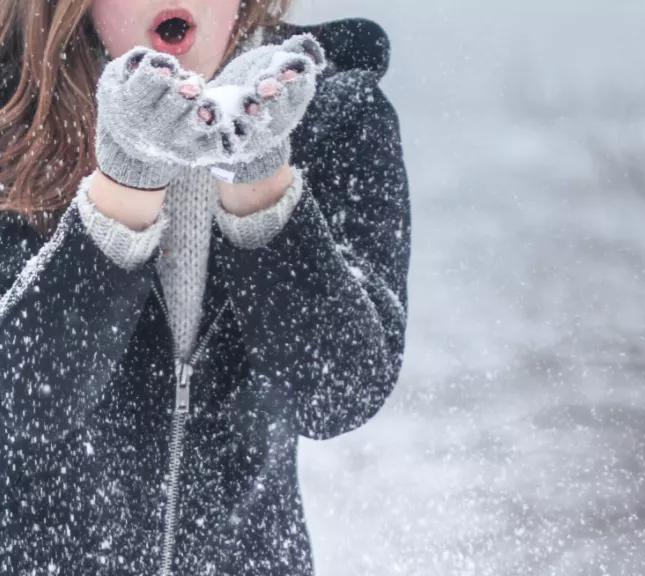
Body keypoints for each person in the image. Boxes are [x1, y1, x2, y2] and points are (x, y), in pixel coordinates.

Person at [0, 1, 411, 574]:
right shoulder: (11, 118)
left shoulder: (336, 113)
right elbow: (21, 407)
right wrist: (125, 184)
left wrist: (262, 178)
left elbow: (338, 394)